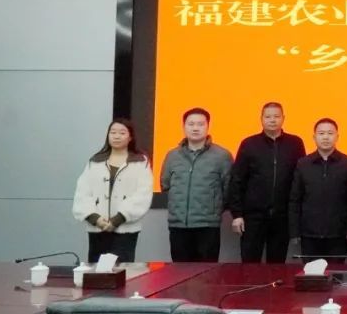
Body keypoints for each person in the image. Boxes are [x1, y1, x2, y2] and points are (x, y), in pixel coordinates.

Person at [228, 102, 306, 263]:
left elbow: (300, 180)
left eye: (276, 116)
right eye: (268, 116)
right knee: (250, 263)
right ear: (261, 119)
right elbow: (237, 180)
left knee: (277, 264)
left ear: (283, 118)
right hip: (253, 217)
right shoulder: (249, 144)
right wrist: (237, 214)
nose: (272, 120)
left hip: (282, 216)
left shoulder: (295, 143)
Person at [72, 119, 154, 263]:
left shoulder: (140, 162)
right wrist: (95, 218)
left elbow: (143, 194)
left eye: (122, 133)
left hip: (125, 228)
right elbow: (82, 192)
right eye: (113, 132)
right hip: (98, 228)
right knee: (96, 269)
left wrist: (118, 219)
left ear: (130, 137)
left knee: (122, 269)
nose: (116, 136)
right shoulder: (95, 161)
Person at [160, 107, 233, 262]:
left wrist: (214, 209)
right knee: (179, 271)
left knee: (206, 271)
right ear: (183, 126)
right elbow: (165, 185)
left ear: (208, 126)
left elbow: (229, 188)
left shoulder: (222, 156)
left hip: (208, 225)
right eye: (191, 124)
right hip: (178, 225)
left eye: (200, 124)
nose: (195, 128)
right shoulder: (172, 155)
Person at [288, 118, 347, 263]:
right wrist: (294, 231)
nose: (326, 137)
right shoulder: (303, 164)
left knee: (335, 273)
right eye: (321, 133)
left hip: (338, 234)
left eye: (330, 133)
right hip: (309, 234)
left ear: (337, 136)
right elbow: (295, 199)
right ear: (314, 137)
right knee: (311, 274)